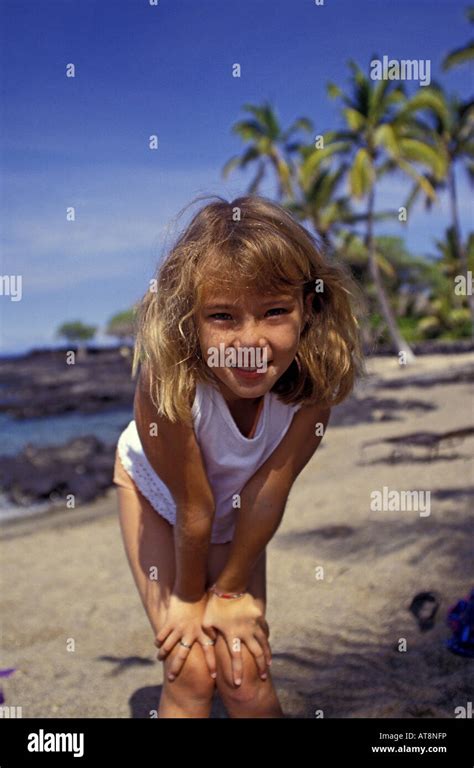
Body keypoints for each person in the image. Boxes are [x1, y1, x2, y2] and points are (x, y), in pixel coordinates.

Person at [112, 193, 365, 717]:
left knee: (241, 669)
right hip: (160, 496)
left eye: (275, 311)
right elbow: (193, 505)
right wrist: (186, 600)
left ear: (309, 307)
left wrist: (228, 593)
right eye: (222, 317)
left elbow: (267, 493)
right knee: (192, 670)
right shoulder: (168, 381)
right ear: (190, 319)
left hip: (240, 512)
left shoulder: (313, 386)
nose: (250, 343)